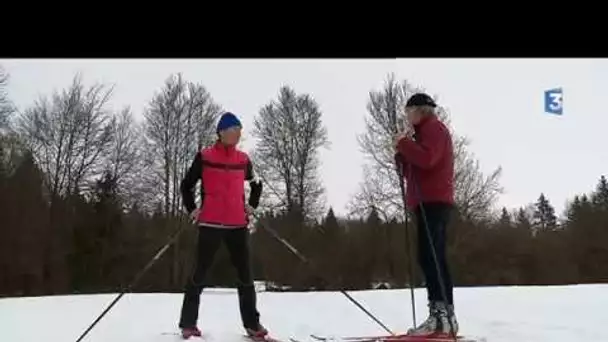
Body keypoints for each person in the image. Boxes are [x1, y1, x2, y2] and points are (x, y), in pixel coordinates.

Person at [178, 112, 266, 340]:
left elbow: (257, 184)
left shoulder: (243, 159)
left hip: (237, 224)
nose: (237, 134)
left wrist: (251, 207)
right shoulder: (205, 156)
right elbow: (186, 185)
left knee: (246, 276)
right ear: (221, 132)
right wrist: (192, 209)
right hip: (210, 223)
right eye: (233, 130)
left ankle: (253, 325)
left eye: (239, 130)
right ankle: (188, 324)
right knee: (199, 273)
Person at [394, 93, 458, 337]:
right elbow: (415, 170)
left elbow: (428, 159)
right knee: (431, 256)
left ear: (419, 111)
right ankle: (443, 316)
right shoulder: (424, 133)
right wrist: (402, 156)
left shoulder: (434, 129)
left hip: (434, 200)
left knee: (431, 257)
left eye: (408, 112)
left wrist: (404, 144)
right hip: (426, 200)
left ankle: (441, 316)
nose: (407, 117)